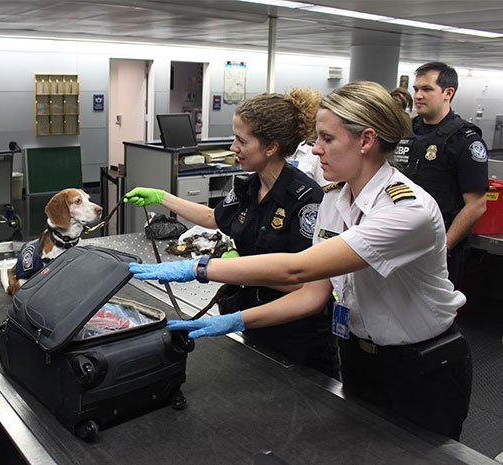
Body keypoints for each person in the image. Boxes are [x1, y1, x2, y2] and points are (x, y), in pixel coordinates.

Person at [129, 81, 472, 441]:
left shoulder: (406, 210)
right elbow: (312, 294)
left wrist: (198, 269)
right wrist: (234, 320)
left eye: (326, 138)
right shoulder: (333, 201)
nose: (314, 149)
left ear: (366, 141)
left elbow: (298, 268)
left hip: (419, 365)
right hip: (358, 356)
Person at [125, 89, 339, 380]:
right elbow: (215, 218)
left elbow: (304, 286)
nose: (233, 146)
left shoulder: (306, 199)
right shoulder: (248, 187)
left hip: (295, 338)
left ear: (271, 147)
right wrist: (162, 197)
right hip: (253, 322)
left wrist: (228, 269)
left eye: (242, 140)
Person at [395, 62, 488, 288]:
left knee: (434, 317)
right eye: (416, 89)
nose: (418, 95)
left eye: (427, 89)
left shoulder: (464, 140)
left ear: (448, 93)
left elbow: (476, 205)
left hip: (438, 247)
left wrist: (443, 247)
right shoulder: (405, 131)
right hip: (400, 240)